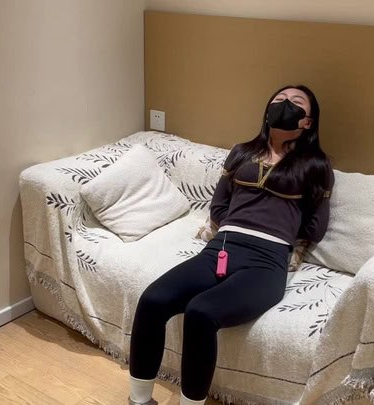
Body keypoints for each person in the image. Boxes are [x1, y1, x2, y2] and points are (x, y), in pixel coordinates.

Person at [127, 84, 335, 405]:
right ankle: (139, 400)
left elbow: (315, 228)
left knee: (201, 312)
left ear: (308, 121)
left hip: (266, 262)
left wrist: (281, 227)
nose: (285, 104)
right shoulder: (241, 152)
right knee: (153, 299)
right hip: (221, 248)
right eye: (279, 99)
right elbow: (218, 206)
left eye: (296, 103)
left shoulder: (316, 166)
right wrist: (234, 228)